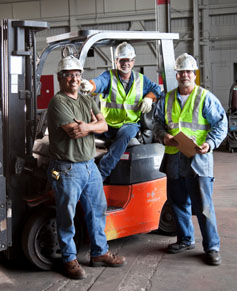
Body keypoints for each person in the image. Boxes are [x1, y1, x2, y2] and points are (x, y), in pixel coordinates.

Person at [47, 55, 126, 280]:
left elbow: (104, 125)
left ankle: (99, 253)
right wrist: (92, 127)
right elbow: (74, 130)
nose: (74, 78)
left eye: (77, 74)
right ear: (60, 78)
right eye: (69, 74)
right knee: (66, 215)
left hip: (90, 166)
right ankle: (69, 259)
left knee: (97, 211)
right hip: (67, 168)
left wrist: (89, 126)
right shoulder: (58, 102)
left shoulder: (86, 98)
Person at [153, 53, 228, 266]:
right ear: (176, 75)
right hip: (175, 159)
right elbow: (157, 123)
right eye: (181, 71)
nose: (184, 75)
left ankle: (212, 247)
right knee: (178, 203)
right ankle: (185, 239)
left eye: (188, 71)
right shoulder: (167, 98)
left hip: (198, 159)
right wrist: (163, 135)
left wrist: (211, 143)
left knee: (203, 206)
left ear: (194, 74)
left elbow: (220, 125)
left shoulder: (205, 97)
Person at [80, 42, 164, 181]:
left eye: (128, 60)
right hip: (108, 125)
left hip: (130, 124)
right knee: (82, 129)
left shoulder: (141, 80)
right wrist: (90, 85)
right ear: (116, 61)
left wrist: (149, 98)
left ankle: (101, 174)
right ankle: (79, 168)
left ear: (133, 61)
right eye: (122, 60)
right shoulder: (109, 77)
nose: (125, 63)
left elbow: (156, 89)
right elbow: (98, 82)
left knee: (125, 134)